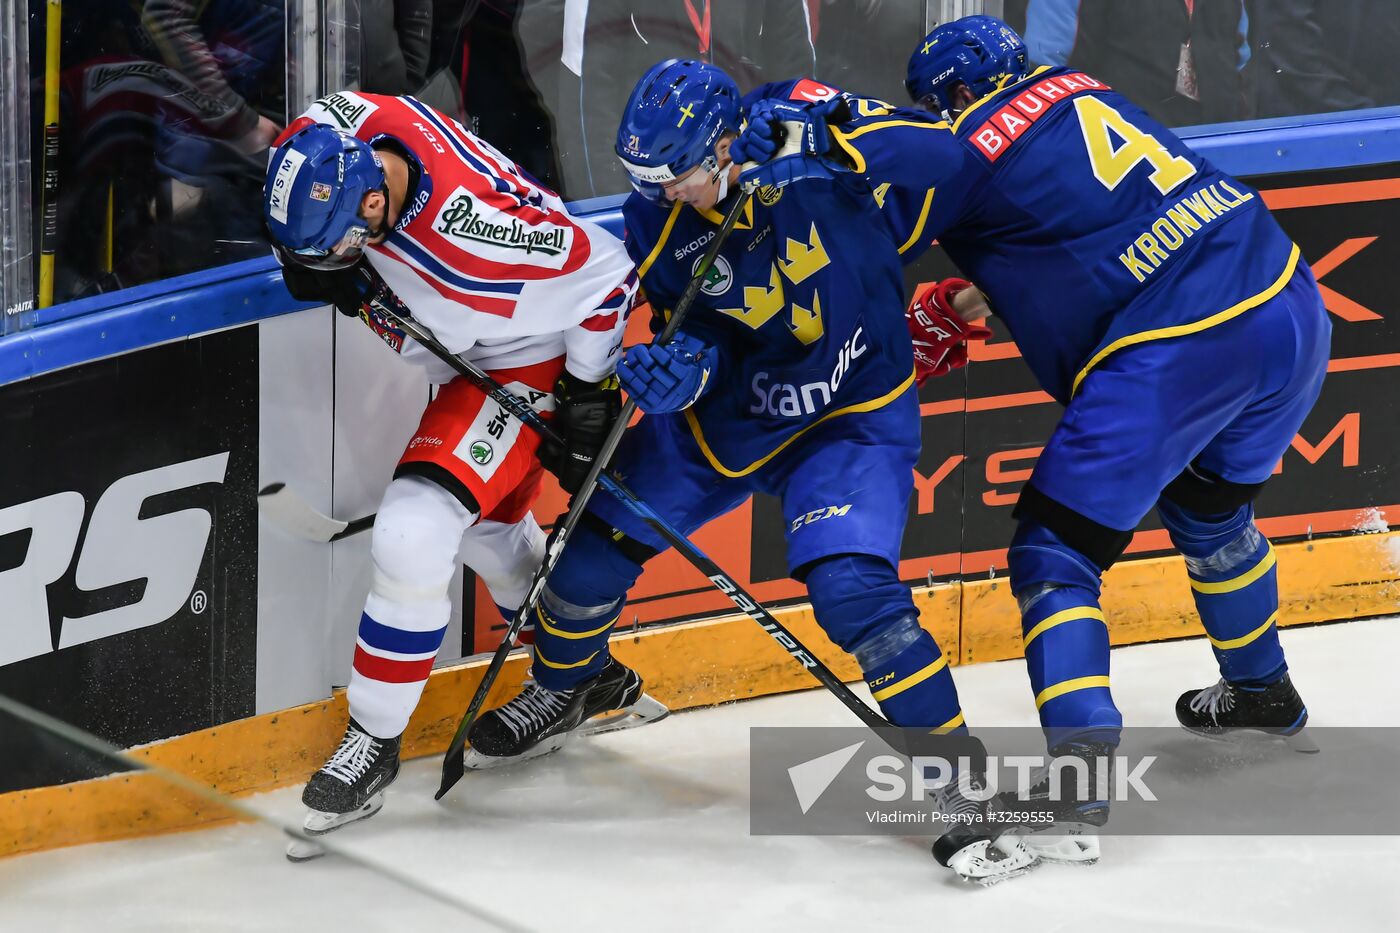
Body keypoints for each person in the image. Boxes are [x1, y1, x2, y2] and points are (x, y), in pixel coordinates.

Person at [746, 14, 1328, 866]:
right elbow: (1077, 222)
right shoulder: (1088, 92)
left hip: (1175, 343)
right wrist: (963, 303)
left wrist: (802, 119)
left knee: (1055, 554)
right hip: (1287, 300)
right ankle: (1262, 689)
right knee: (1211, 510)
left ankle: (1079, 781)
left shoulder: (961, 143)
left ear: (952, 95)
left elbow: (899, 183)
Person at [462, 58, 1036, 884]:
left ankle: (961, 787)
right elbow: (699, 321)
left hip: (851, 417)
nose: (665, 194)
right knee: (584, 557)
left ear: (728, 142)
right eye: (649, 180)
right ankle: (575, 688)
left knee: (855, 593)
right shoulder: (656, 214)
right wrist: (688, 364)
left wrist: (835, 133)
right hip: (727, 420)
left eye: (678, 175)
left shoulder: (809, 135)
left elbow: (953, 161)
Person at [260, 89, 660, 838]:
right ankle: (582, 671)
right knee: (487, 534)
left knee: (413, 532)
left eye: (343, 243)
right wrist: (331, 265)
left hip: (525, 365)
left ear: (374, 206)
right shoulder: (333, 131)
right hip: (475, 355)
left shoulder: (475, 242)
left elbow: (607, 274)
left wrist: (584, 392)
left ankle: (373, 740)